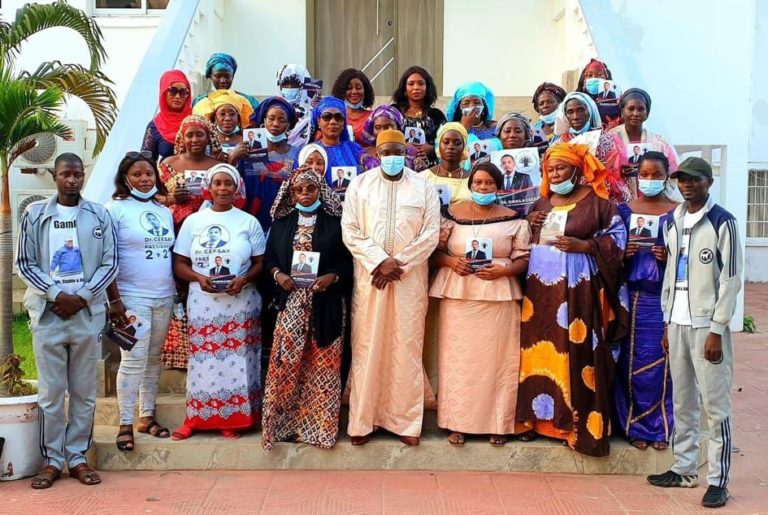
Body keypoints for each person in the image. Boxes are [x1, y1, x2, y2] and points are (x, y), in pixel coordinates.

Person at [516, 143, 628, 457]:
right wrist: (531, 224)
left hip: (578, 291)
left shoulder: (598, 203)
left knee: (577, 352)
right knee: (539, 351)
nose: (554, 174)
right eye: (550, 170)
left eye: (561, 168)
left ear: (577, 171)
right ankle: (539, 422)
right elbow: (522, 243)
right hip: (540, 295)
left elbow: (618, 239)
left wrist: (585, 245)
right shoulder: (541, 202)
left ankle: (576, 426)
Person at [15, 153, 118, 489]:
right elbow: (26, 263)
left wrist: (82, 297)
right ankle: (52, 460)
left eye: (77, 175)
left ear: (83, 176)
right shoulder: (35, 214)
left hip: (86, 316)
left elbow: (110, 264)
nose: (72, 180)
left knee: (85, 392)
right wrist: (56, 295)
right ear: (55, 177)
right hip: (49, 315)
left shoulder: (99, 215)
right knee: (51, 393)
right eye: (65, 175)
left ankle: (77, 458)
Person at [647, 157, 742, 509]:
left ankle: (718, 480)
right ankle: (684, 468)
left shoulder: (723, 222)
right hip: (677, 323)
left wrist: (718, 329)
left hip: (707, 327)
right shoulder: (672, 220)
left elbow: (731, 280)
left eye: (693, 180)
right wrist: (667, 320)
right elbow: (672, 273)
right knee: (682, 400)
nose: (686, 185)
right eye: (681, 180)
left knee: (715, 405)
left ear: (708, 183)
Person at [342, 129, 440, 446]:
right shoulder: (360, 185)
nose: (392, 156)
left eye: (398, 150)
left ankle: (406, 423)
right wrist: (378, 262)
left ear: (407, 151)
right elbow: (351, 230)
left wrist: (399, 264)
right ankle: (362, 421)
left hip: (409, 280)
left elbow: (430, 234)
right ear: (377, 153)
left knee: (406, 347)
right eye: (386, 151)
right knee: (368, 346)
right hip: (371, 279)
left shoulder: (424, 186)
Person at [430, 162, 530, 446]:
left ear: (498, 187)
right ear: (470, 184)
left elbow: (523, 258)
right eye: (478, 183)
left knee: (498, 362)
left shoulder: (515, 219)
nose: (483, 188)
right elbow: (434, 252)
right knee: (459, 362)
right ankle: (456, 422)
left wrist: (505, 270)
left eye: (489, 183)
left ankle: (499, 423)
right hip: (459, 297)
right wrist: (451, 262)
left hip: (498, 297)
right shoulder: (451, 216)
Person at [171, 163, 266, 440]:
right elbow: (179, 263)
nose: (223, 188)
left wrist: (244, 279)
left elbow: (261, 262)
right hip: (203, 302)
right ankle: (197, 418)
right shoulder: (193, 222)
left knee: (237, 361)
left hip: (239, 302)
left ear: (237, 188)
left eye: (228, 183)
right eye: (218, 183)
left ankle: (235, 418)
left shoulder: (248, 222)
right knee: (203, 360)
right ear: (208, 188)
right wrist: (198, 278)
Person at [262, 168, 352, 450]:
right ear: (291, 193)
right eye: (298, 190)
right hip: (291, 304)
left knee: (323, 365)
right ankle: (283, 427)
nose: (304, 194)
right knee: (285, 364)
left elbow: (348, 263)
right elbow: (268, 261)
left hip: (326, 304)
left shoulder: (336, 223)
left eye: (310, 189)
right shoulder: (282, 223)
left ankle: (316, 430)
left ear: (319, 191)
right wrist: (278, 275)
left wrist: (333, 277)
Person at [105, 151, 176, 452]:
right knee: (133, 359)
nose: (144, 179)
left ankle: (146, 416)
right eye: (137, 174)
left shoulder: (164, 211)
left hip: (164, 294)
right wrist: (115, 301)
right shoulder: (114, 210)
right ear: (125, 178)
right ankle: (124, 422)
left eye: (149, 173)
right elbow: (106, 258)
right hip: (131, 296)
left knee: (153, 358)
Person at [614, 151, 678, 452]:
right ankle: (634, 425)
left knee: (662, 361)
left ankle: (661, 426)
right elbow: (606, 252)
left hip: (664, 299)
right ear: (636, 176)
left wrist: (671, 257)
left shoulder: (679, 212)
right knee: (630, 362)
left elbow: (692, 257)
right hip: (631, 296)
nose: (650, 180)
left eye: (656, 175)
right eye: (645, 174)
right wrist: (620, 254)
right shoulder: (623, 210)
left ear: (667, 176)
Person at [156, 115, 222, 370]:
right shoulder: (167, 165)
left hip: (208, 236)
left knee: (203, 283)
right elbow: (153, 197)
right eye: (190, 135)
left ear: (208, 137)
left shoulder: (218, 165)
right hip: (176, 232)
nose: (194, 140)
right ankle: (178, 352)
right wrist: (171, 198)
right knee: (178, 288)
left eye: (200, 134)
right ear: (181, 138)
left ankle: (207, 342)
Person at [234, 97, 300, 231]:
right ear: (264, 120)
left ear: (289, 124)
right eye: (271, 118)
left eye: (282, 120)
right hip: (248, 222)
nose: (275, 124)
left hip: (284, 223)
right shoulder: (246, 151)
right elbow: (233, 182)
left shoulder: (298, 154)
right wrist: (232, 159)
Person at [553, 92, 632, 204]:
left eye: (581, 110)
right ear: (565, 116)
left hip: (601, 197)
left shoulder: (606, 141)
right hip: (569, 197)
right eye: (570, 112)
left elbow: (614, 173)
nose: (575, 117)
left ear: (589, 111)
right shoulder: (558, 145)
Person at [608, 88, 680, 174]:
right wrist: (618, 173)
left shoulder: (659, 142)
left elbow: (674, 174)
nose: (635, 113)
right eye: (631, 109)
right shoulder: (609, 140)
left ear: (647, 114)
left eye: (641, 109)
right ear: (622, 112)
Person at [391, 66, 446, 166]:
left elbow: (446, 140)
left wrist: (432, 149)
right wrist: (402, 145)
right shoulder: (394, 112)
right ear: (404, 89)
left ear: (427, 88)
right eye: (411, 84)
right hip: (400, 166)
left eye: (420, 84)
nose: (416, 87)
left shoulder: (436, 115)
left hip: (430, 168)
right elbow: (385, 136)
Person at [306, 97, 364, 186]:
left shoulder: (355, 148)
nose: (333, 122)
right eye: (326, 117)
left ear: (344, 123)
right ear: (318, 122)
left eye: (338, 117)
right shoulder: (308, 151)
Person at [142, 70, 192, 163]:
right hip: (166, 176)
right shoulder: (154, 126)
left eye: (183, 92)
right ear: (164, 92)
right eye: (172, 91)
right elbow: (146, 162)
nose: (177, 96)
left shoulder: (197, 121)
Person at [358, 104, 427, 171]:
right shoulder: (364, 154)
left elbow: (420, 178)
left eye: (387, 127)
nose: (382, 131)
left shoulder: (412, 152)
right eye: (377, 127)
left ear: (398, 127)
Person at [421, 123, 473, 206]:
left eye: (457, 143)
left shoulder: (473, 179)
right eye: (446, 142)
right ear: (439, 145)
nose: (451, 146)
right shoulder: (423, 177)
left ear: (464, 147)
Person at [193, 89, 254, 153]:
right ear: (215, 117)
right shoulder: (207, 141)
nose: (227, 118)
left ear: (238, 118)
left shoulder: (247, 140)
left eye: (232, 114)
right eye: (222, 114)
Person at [192, 52, 259, 110]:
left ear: (232, 77)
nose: (222, 81)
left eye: (227, 76)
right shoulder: (200, 102)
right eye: (218, 76)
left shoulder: (249, 101)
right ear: (211, 77)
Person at [276, 63, 319, 146]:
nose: (290, 87)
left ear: (302, 86)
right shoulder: (271, 109)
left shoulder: (314, 111)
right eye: (285, 84)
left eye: (294, 84)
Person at [332, 68, 375, 143]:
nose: (354, 91)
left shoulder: (374, 116)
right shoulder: (332, 117)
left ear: (365, 90)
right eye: (349, 88)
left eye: (358, 88)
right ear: (341, 91)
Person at [576, 58, 621, 129]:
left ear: (607, 78)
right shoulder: (577, 100)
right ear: (583, 79)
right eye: (590, 75)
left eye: (600, 75)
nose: (594, 78)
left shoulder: (618, 100)